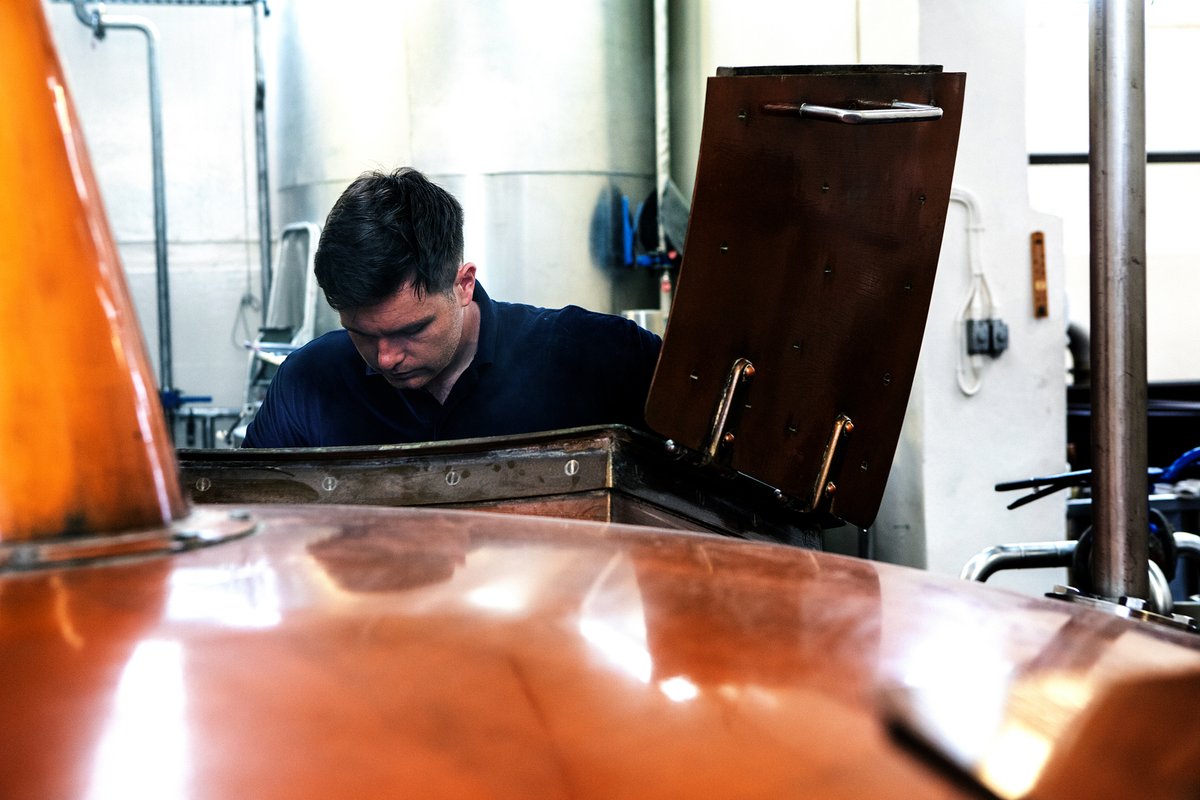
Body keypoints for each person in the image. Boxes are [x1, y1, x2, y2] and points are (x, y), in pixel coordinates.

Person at [243, 168, 662, 448]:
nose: (386, 358)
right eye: (363, 334)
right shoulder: (308, 384)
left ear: (463, 284)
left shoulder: (596, 356)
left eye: (412, 329)